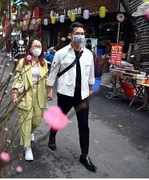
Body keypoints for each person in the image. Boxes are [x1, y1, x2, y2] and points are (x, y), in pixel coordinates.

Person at [46, 22, 97, 171]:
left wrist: (90, 88)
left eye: (82, 33)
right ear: (70, 35)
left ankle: (84, 155)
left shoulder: (88, 54)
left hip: (82, 95)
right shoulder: (61, 53)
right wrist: (49, 90)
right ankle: (52, 135)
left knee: (84, 125)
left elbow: (91, 73)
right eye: (77, 33)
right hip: (65, 93)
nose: (80, 36)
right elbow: (53, 73)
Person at [12, 39, 49, 161]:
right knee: (26, 121)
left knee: (36, 120)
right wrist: (15, 93)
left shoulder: (44, 63)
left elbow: (47, 79)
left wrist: (50, 91)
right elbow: (17, 78)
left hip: (39, 94)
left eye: (39, 46)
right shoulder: (23, 62)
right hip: (25, 94)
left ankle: (29, 132)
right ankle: (27, 147)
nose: (37, 48)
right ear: (30, 48)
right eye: (35, 46)